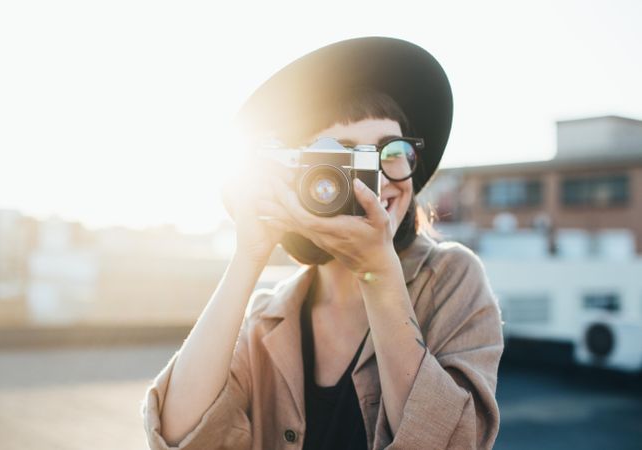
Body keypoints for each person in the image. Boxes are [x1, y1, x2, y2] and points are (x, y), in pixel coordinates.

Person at [142, 37, 504, 450]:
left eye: (391, 150)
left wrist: (379, 273)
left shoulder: (451, 279)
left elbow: (459, 443)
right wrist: (249, 256)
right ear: (299, 177)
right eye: (344, 158)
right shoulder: (269, 320)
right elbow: (179, 434)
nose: (377, 179)